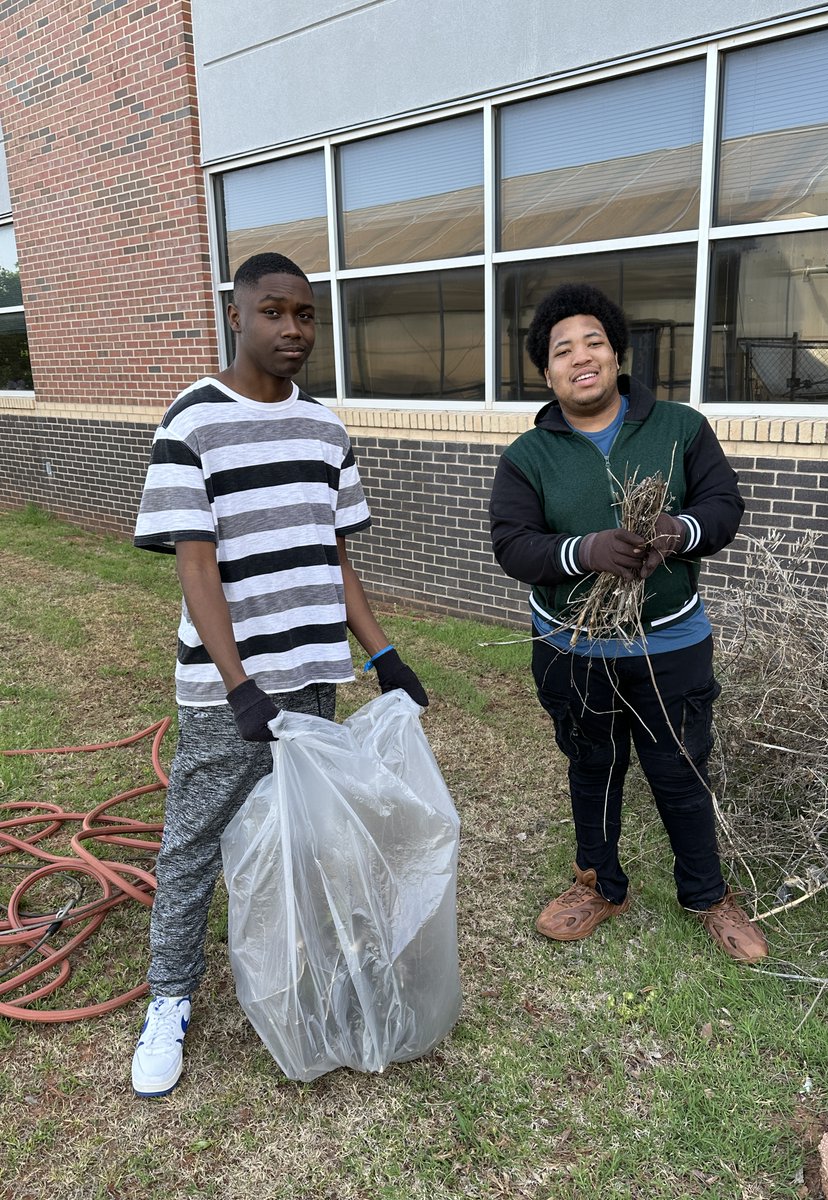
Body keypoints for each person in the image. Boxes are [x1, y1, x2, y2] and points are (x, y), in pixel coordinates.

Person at [130, 252, 428, 1097]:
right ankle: (170, 1001)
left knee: (307, 833)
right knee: (194, 841)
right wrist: (237, 683)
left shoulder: (327, 429)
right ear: (237, 315)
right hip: (233, 688)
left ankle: (314, 973)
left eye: (305, 315)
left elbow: (333, 557)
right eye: (274, 312)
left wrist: (382, 655)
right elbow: (197, 564)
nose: (292, 329)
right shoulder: (193, 421)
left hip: (313, 676)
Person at [489, 282, 767, 964]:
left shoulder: (680, 428)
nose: (580, 358)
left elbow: (724, 506)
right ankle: (599, 883)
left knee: (680, 769)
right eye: (562, 350)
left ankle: (707, 894)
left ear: (616, 354)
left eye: (593, 342)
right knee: (593, 764)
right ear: (547, 371)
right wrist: (586, 551)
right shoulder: (528, 457)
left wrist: (679, 530)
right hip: (572, 645)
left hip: (670, 640)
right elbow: (512, 545)